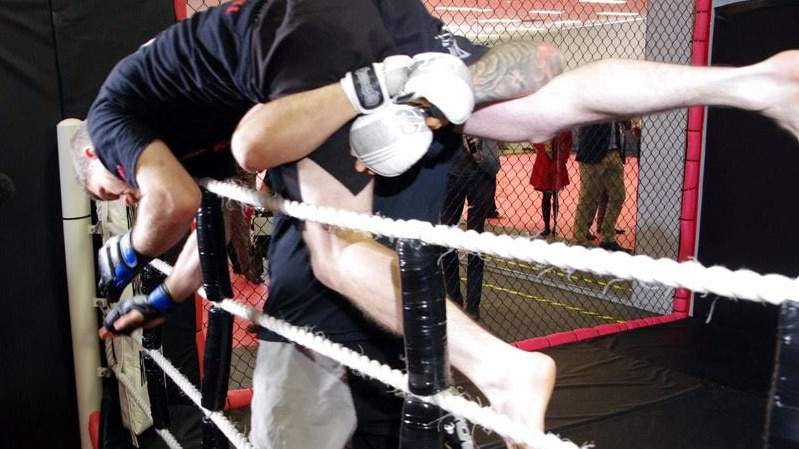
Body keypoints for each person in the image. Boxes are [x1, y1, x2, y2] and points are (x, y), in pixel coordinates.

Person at [70, 0, 799, 445]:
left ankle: (502, 369)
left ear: (90, 160)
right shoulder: (180, 106)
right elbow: (205, 226)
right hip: (371, 17)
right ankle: (753, 82)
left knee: (332, 247)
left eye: (110, 188)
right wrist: (162, 300)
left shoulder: (109, 120)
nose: (122, 193)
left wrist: (125, 260)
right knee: (537, 105)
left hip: (300, 25)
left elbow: (171, 204)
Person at [440, 135, 502, 320]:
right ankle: (454, 298)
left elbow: (494, 165)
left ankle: (473, 307)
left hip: (481, 178)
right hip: (452, 176)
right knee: (447, 238)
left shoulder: (485, 118)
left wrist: (479, 154)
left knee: (475, 242)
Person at [571, 121, 630, 252]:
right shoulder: (595, 101)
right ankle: (579, 240)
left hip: (614, 153)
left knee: (618, 196)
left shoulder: (618, 104)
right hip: (593, 154)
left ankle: (608, 236)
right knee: (588, 198)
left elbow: (625, 124)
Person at [529, 130, 572, 238]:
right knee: (546, 195)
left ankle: (554, 225)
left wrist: (564, 156)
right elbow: (535, 138)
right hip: (545, 160)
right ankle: (547, 226)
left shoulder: (564, 124)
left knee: (554, 194)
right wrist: (544, 148)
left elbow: (568, 141)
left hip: (557, 160)